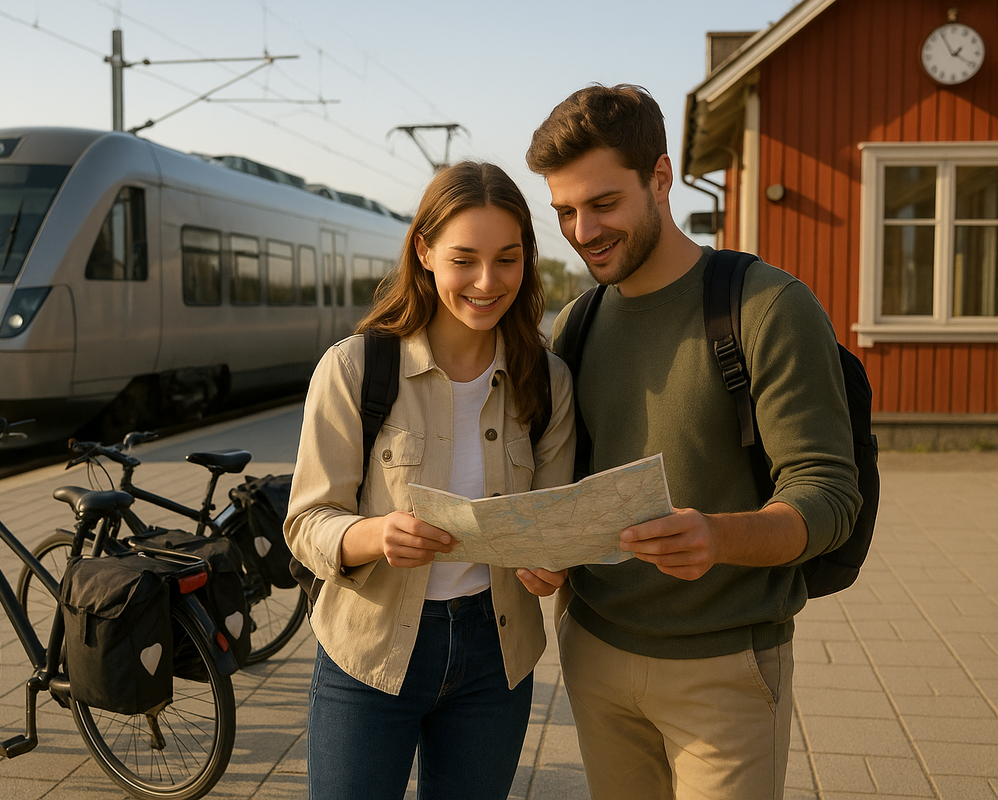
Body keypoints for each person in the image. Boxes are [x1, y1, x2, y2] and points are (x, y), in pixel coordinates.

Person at [521, 84, 863, 799]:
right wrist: (544, 549)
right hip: (594, 653)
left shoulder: (767, 306)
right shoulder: (577, 324)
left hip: (726, 668)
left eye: (604, 203)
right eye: (565, 212)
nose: (583, 230)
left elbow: (830, 495)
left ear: (660, 177)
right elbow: (569, 486)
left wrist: (717, 535)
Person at [284, 161, 575, 800]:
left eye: (507, 259)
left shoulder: (548, 382)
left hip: (495, 655)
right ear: (424, 252)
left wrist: (551, 566)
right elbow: (306, 522)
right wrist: (374, 535)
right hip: (370, 649)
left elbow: (552, 529)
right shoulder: (354, 368)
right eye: (464, 260)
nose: (487, 282)